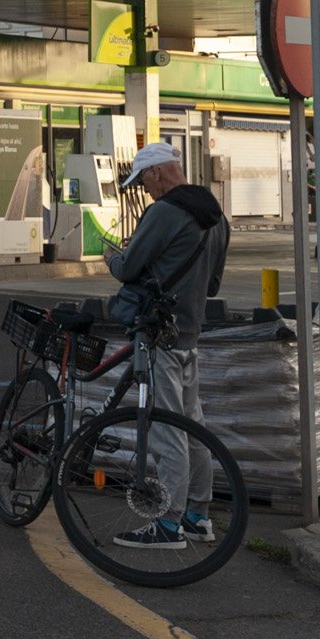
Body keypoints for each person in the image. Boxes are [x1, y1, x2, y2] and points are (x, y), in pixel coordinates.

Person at [103, 139, 230, 550]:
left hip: (159, 336)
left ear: (157, 172)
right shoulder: (216, 216)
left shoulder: (163, 213)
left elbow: (127, 269)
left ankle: (169, 524)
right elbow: (212, 285)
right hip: (191, 336)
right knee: (193, 429)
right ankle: (198, 516)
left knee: (166, 429)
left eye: (143, 182)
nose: (145, 190)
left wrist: (110, 257)